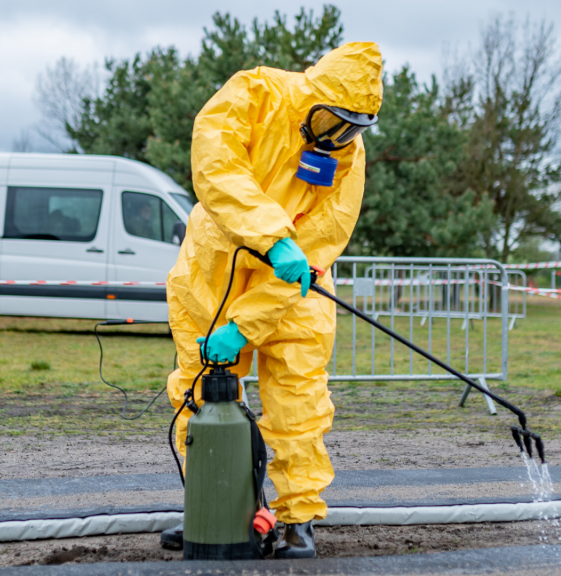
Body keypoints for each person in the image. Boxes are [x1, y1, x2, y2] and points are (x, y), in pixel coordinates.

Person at [161, 42, 383, 559]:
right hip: (217, 267)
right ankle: (214, 510)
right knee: (202, 389)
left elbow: (321, 239)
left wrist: (248, 322)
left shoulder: (347, 156)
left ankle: (298, 520)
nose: (339, 137)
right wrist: (270, 236)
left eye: (353, 127)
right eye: (332, 122)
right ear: (312, 95)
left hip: (294, 286)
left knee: (299, 399)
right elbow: (217, 166)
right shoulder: (256, 93)